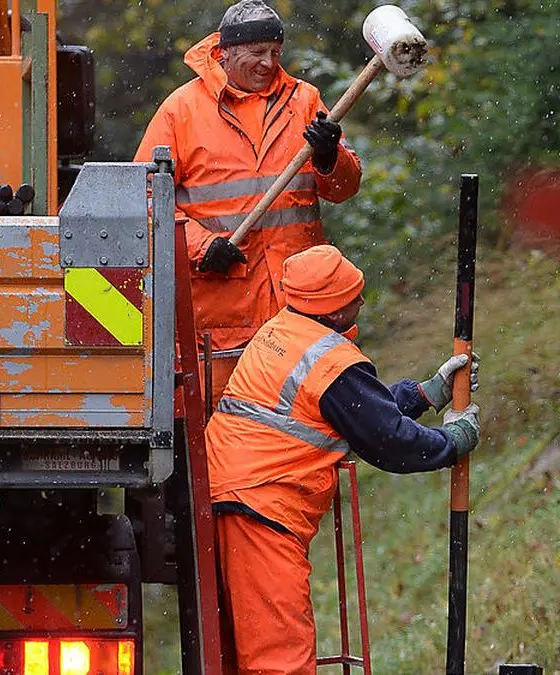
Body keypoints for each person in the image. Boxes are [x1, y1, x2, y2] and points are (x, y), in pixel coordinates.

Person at [205, 245, 481, 674]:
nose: (362, 303)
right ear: (333, 311)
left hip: (234, 497)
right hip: (261, 509)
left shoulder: (283, 331)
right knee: (279, 661)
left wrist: (425, 394)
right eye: (355, 297)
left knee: (243, 654)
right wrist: (453, 440)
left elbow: (352, 413)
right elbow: (389, 441)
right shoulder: (332, 361)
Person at [134, 0, 363, 396]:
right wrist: (202, 246)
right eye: (257, 53)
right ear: (225, 53)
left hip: (302, 306)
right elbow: (144, 198)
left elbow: (344, 189)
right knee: (223, 425)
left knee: (302, 421)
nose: (268, 63)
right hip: (223, 311)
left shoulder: (304, 101)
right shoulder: (181, 111)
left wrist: (330, 158)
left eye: (275, 53)